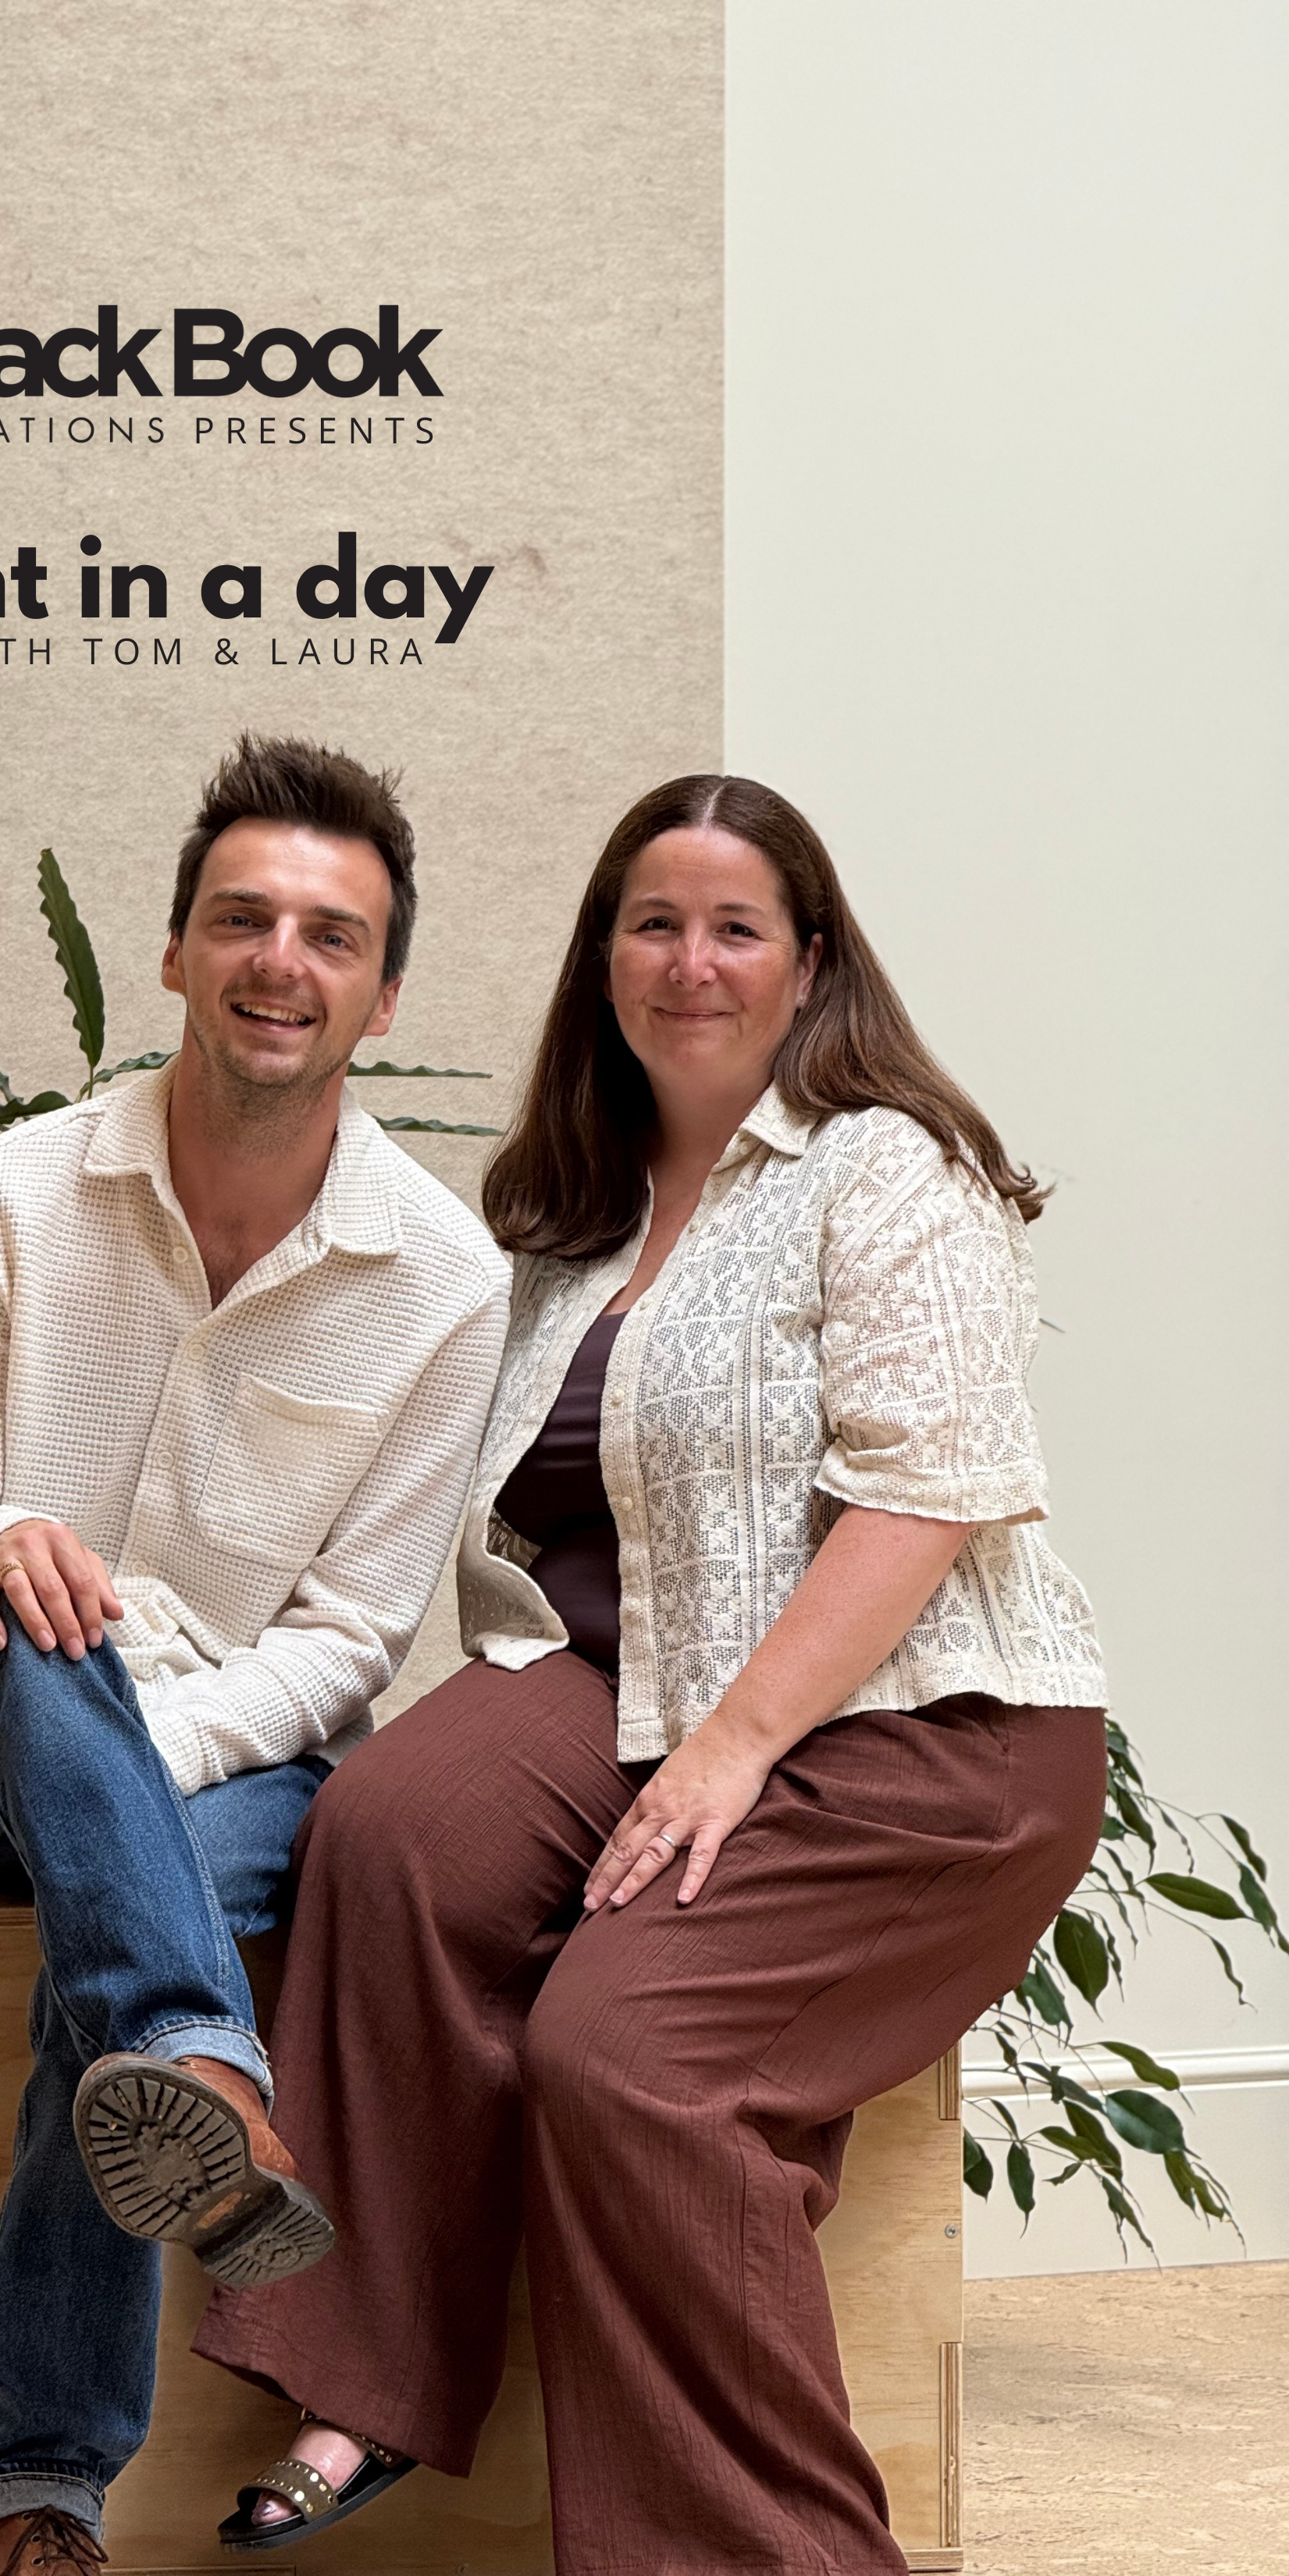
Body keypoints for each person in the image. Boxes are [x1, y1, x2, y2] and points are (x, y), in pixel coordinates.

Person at [194, 773, 1109, 2576]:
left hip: (921, 1729)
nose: (689, 961)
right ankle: (369, 2380)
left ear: (811, 962)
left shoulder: (886, 1168)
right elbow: (525, 1531)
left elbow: (922, 1496)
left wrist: (729, 1756)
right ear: (601, 957)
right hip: (631, 1686)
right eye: (651, 922)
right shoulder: (565, 1220)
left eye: (735, 925)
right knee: (387, 1826)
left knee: (624, 2063)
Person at [0, 735, 509, 2576]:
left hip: (232, 1768)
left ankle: (38, 2486)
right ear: (171, 953)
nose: (276, 960)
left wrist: (138, 1759)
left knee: (123, 1959)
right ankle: (201, 2077)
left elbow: (345, 1643)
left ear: (382, 994)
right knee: (39, 1610)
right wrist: (7, 1544)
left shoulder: (444, 1281)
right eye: (241, 918)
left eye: (327, 933)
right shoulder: (7, 1197)